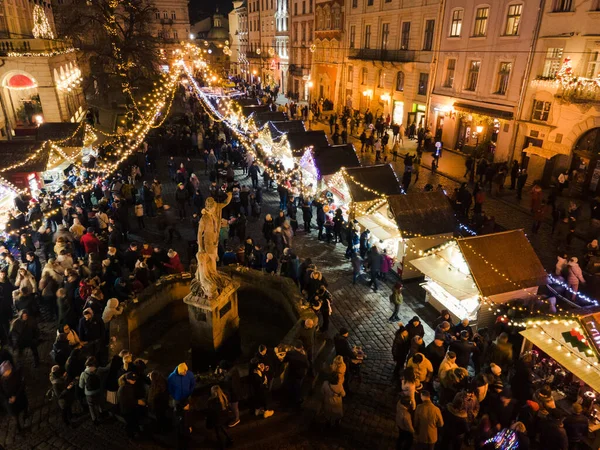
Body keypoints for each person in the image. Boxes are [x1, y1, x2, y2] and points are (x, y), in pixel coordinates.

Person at [79, 356, 109, 424]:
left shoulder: (83, 374)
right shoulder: (99, 370)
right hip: (98, 390)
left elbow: (81, 386)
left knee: (91, 406)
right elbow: (107, 369)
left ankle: (94, 419)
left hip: (89, 393)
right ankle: (101, 414)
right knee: (99, 403)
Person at [0, 361, 29, 432]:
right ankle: (19, 428)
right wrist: (8, 399)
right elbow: (1, 392)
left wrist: (15, 396)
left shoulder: (16, 374)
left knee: (24, 406)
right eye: (4, 372)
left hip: (20, 397)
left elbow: (22, 384)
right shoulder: (2, 380)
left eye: (6, 371)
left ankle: (25, 415)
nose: (5, 373)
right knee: (15, 415)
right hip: (11, 402)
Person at [118, 371, 144, 438]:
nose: (134, 380)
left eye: (135, 379)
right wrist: (137, 402)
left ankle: (136, 431)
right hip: (127, 410)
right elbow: (126, 401)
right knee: (130, 423)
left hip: (131, 409)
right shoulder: (124, 389)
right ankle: (131, 436)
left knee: (133, 421)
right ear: (127, 379)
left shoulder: (129, 386)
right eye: (133, 379)